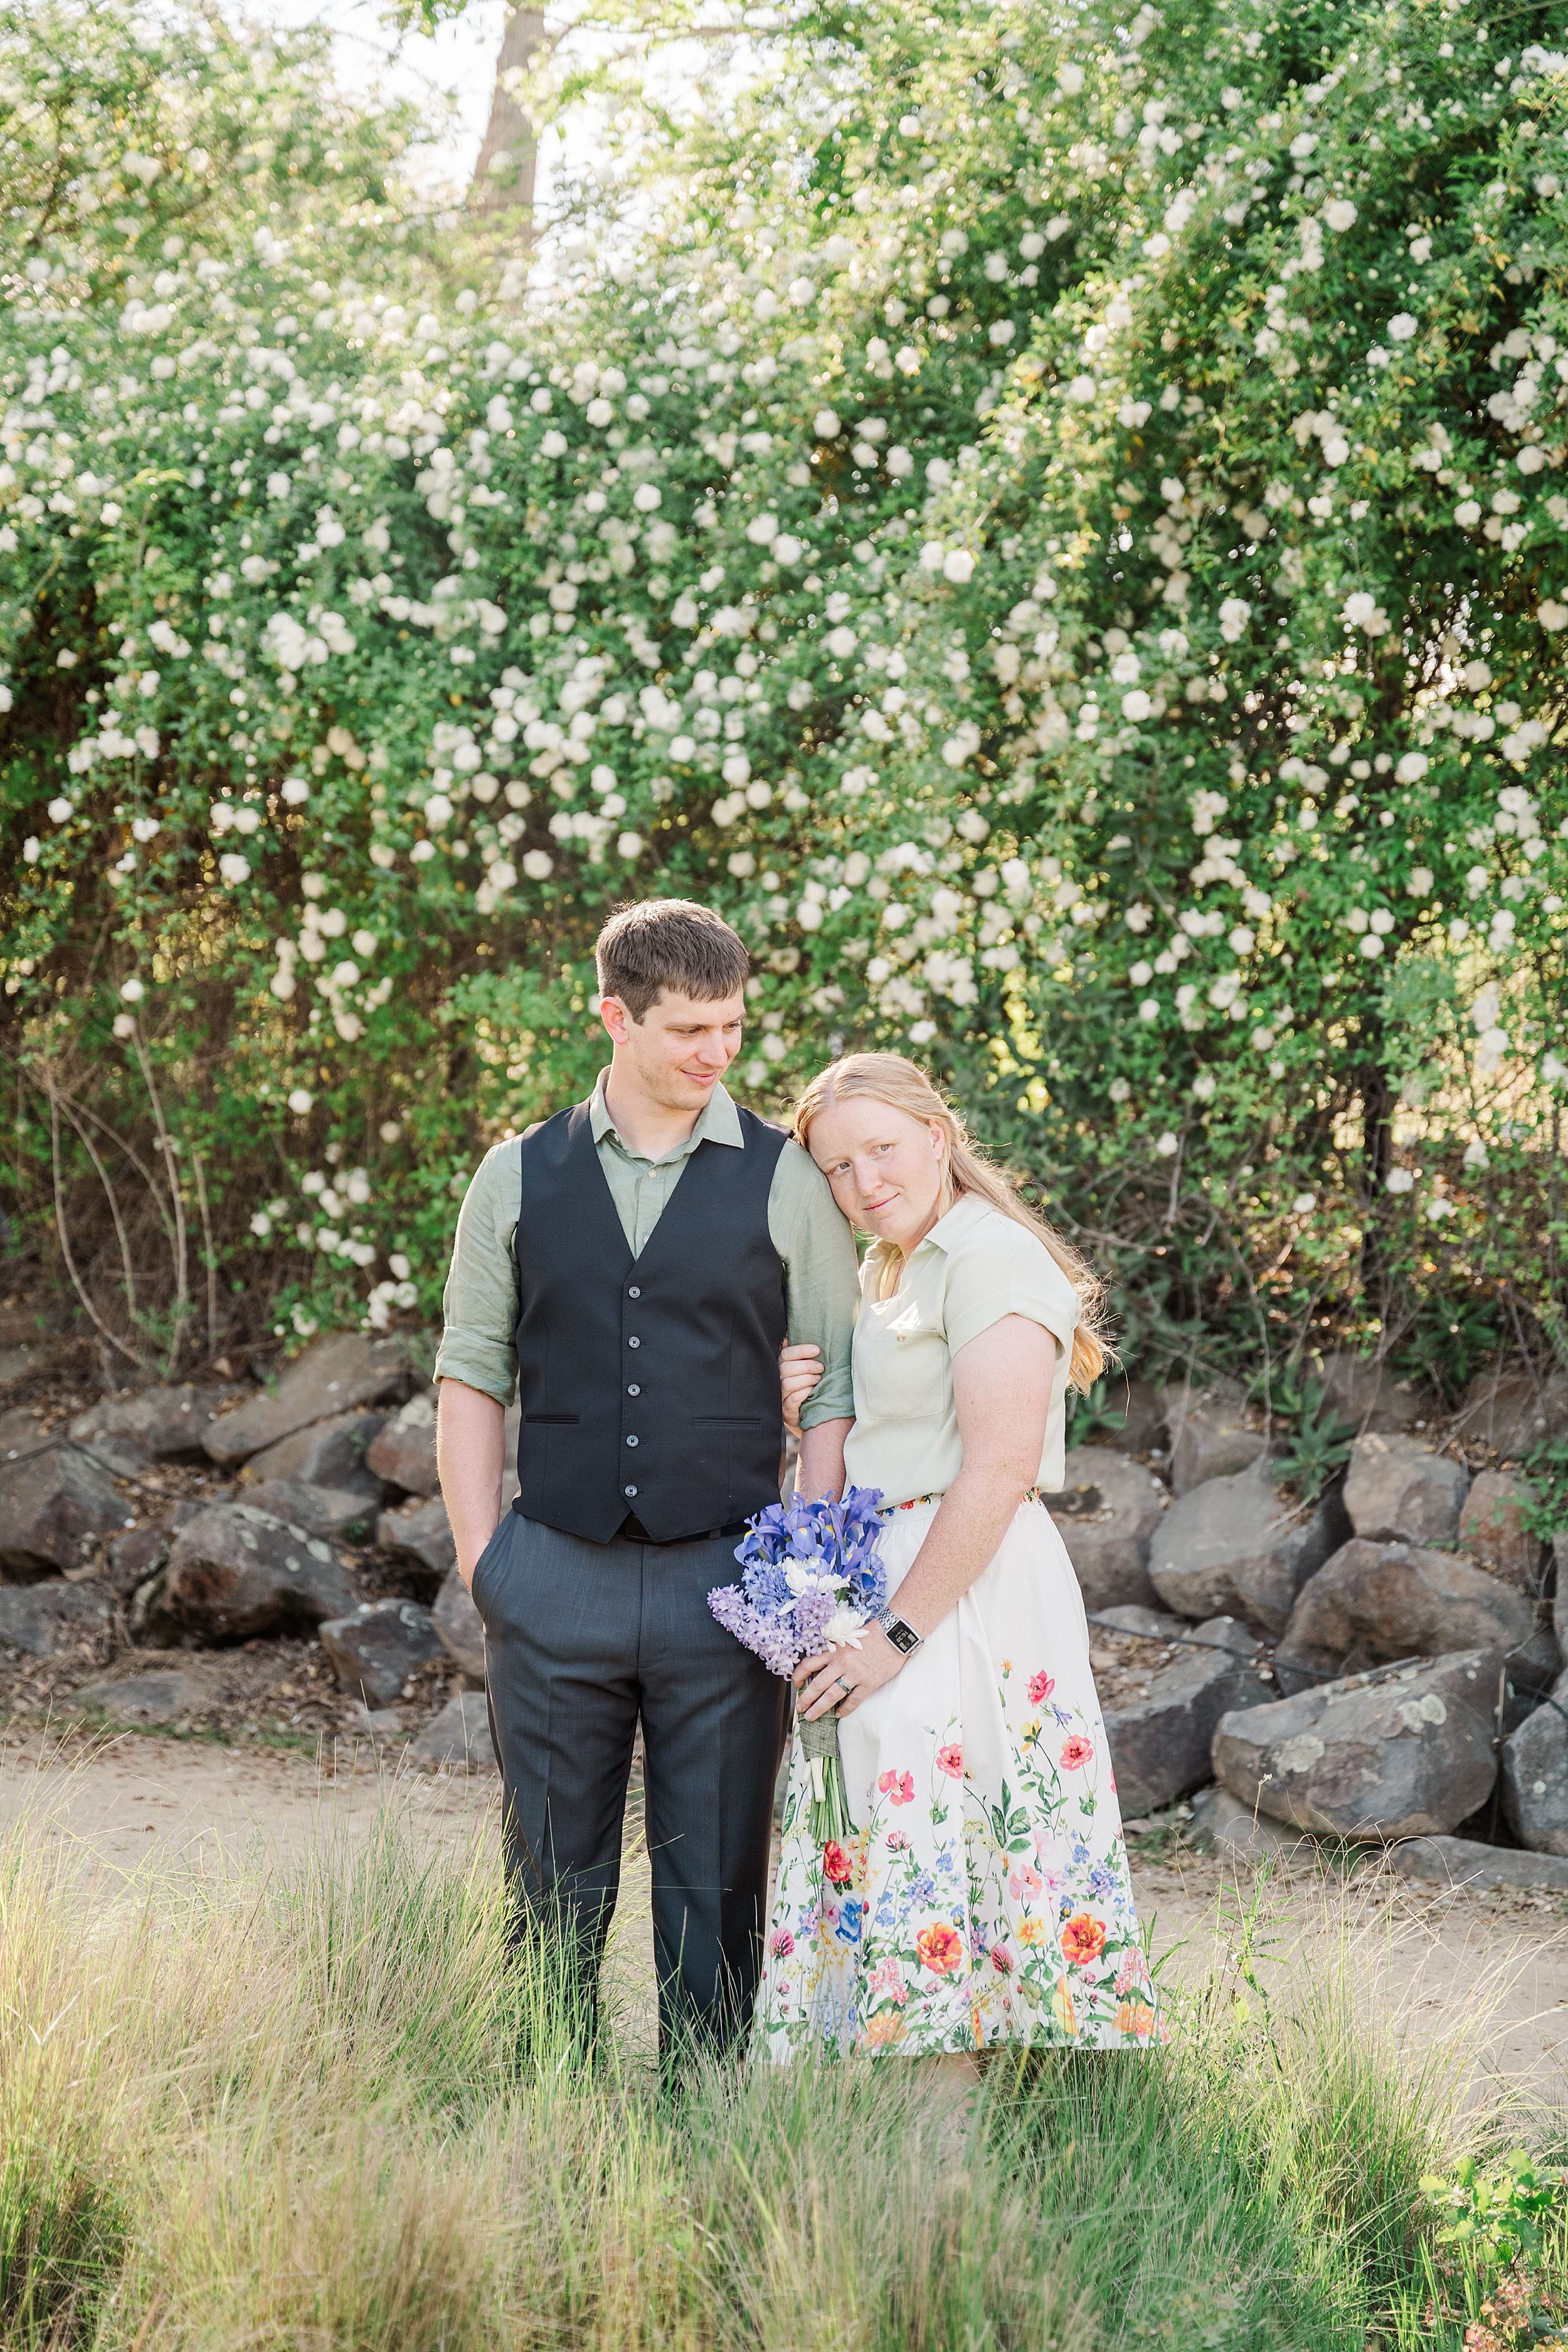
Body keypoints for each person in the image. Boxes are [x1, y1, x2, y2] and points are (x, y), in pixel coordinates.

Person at [435, 899, 859, 2062]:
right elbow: (470, 1373)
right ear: (614, 1018)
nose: (718, 1053)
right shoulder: (515, 1174)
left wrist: (803, 1583)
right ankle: (550, 2118)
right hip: (551, 1573)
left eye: (733, 1026)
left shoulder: (785, 1177)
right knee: (547, 1885)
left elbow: (831, 1394)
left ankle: (705, 2134)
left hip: (726, 1584)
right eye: (690, 1030)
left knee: (717, 1892)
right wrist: (487, 1563)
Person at [758, 1052, 1162, 2070]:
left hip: (960, 1587)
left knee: (934, 1832)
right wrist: (794, 1411)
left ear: (938, 1135)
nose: (863, 1183)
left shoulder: (991, 1255)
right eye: (837, 1169)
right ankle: (893, 2127)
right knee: (895, 1831)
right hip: (884, 1564)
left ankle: (942, 2153)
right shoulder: (890, 1267)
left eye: (881, 1150)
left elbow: (999, 1468)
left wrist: (894, 1633)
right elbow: (868, 1447)